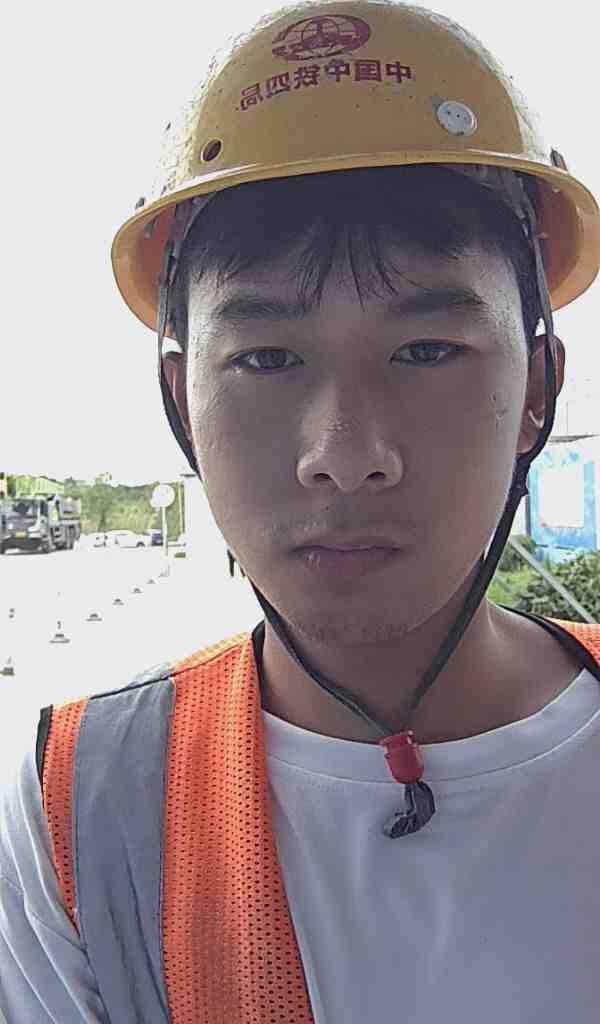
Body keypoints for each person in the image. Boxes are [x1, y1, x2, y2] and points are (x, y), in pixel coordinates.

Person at [2, 3, 600, 1021]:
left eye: (427, 351)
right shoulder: (77, 809)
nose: (346, 456)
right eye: (268, 358)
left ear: (538, 386)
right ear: (181, 399)